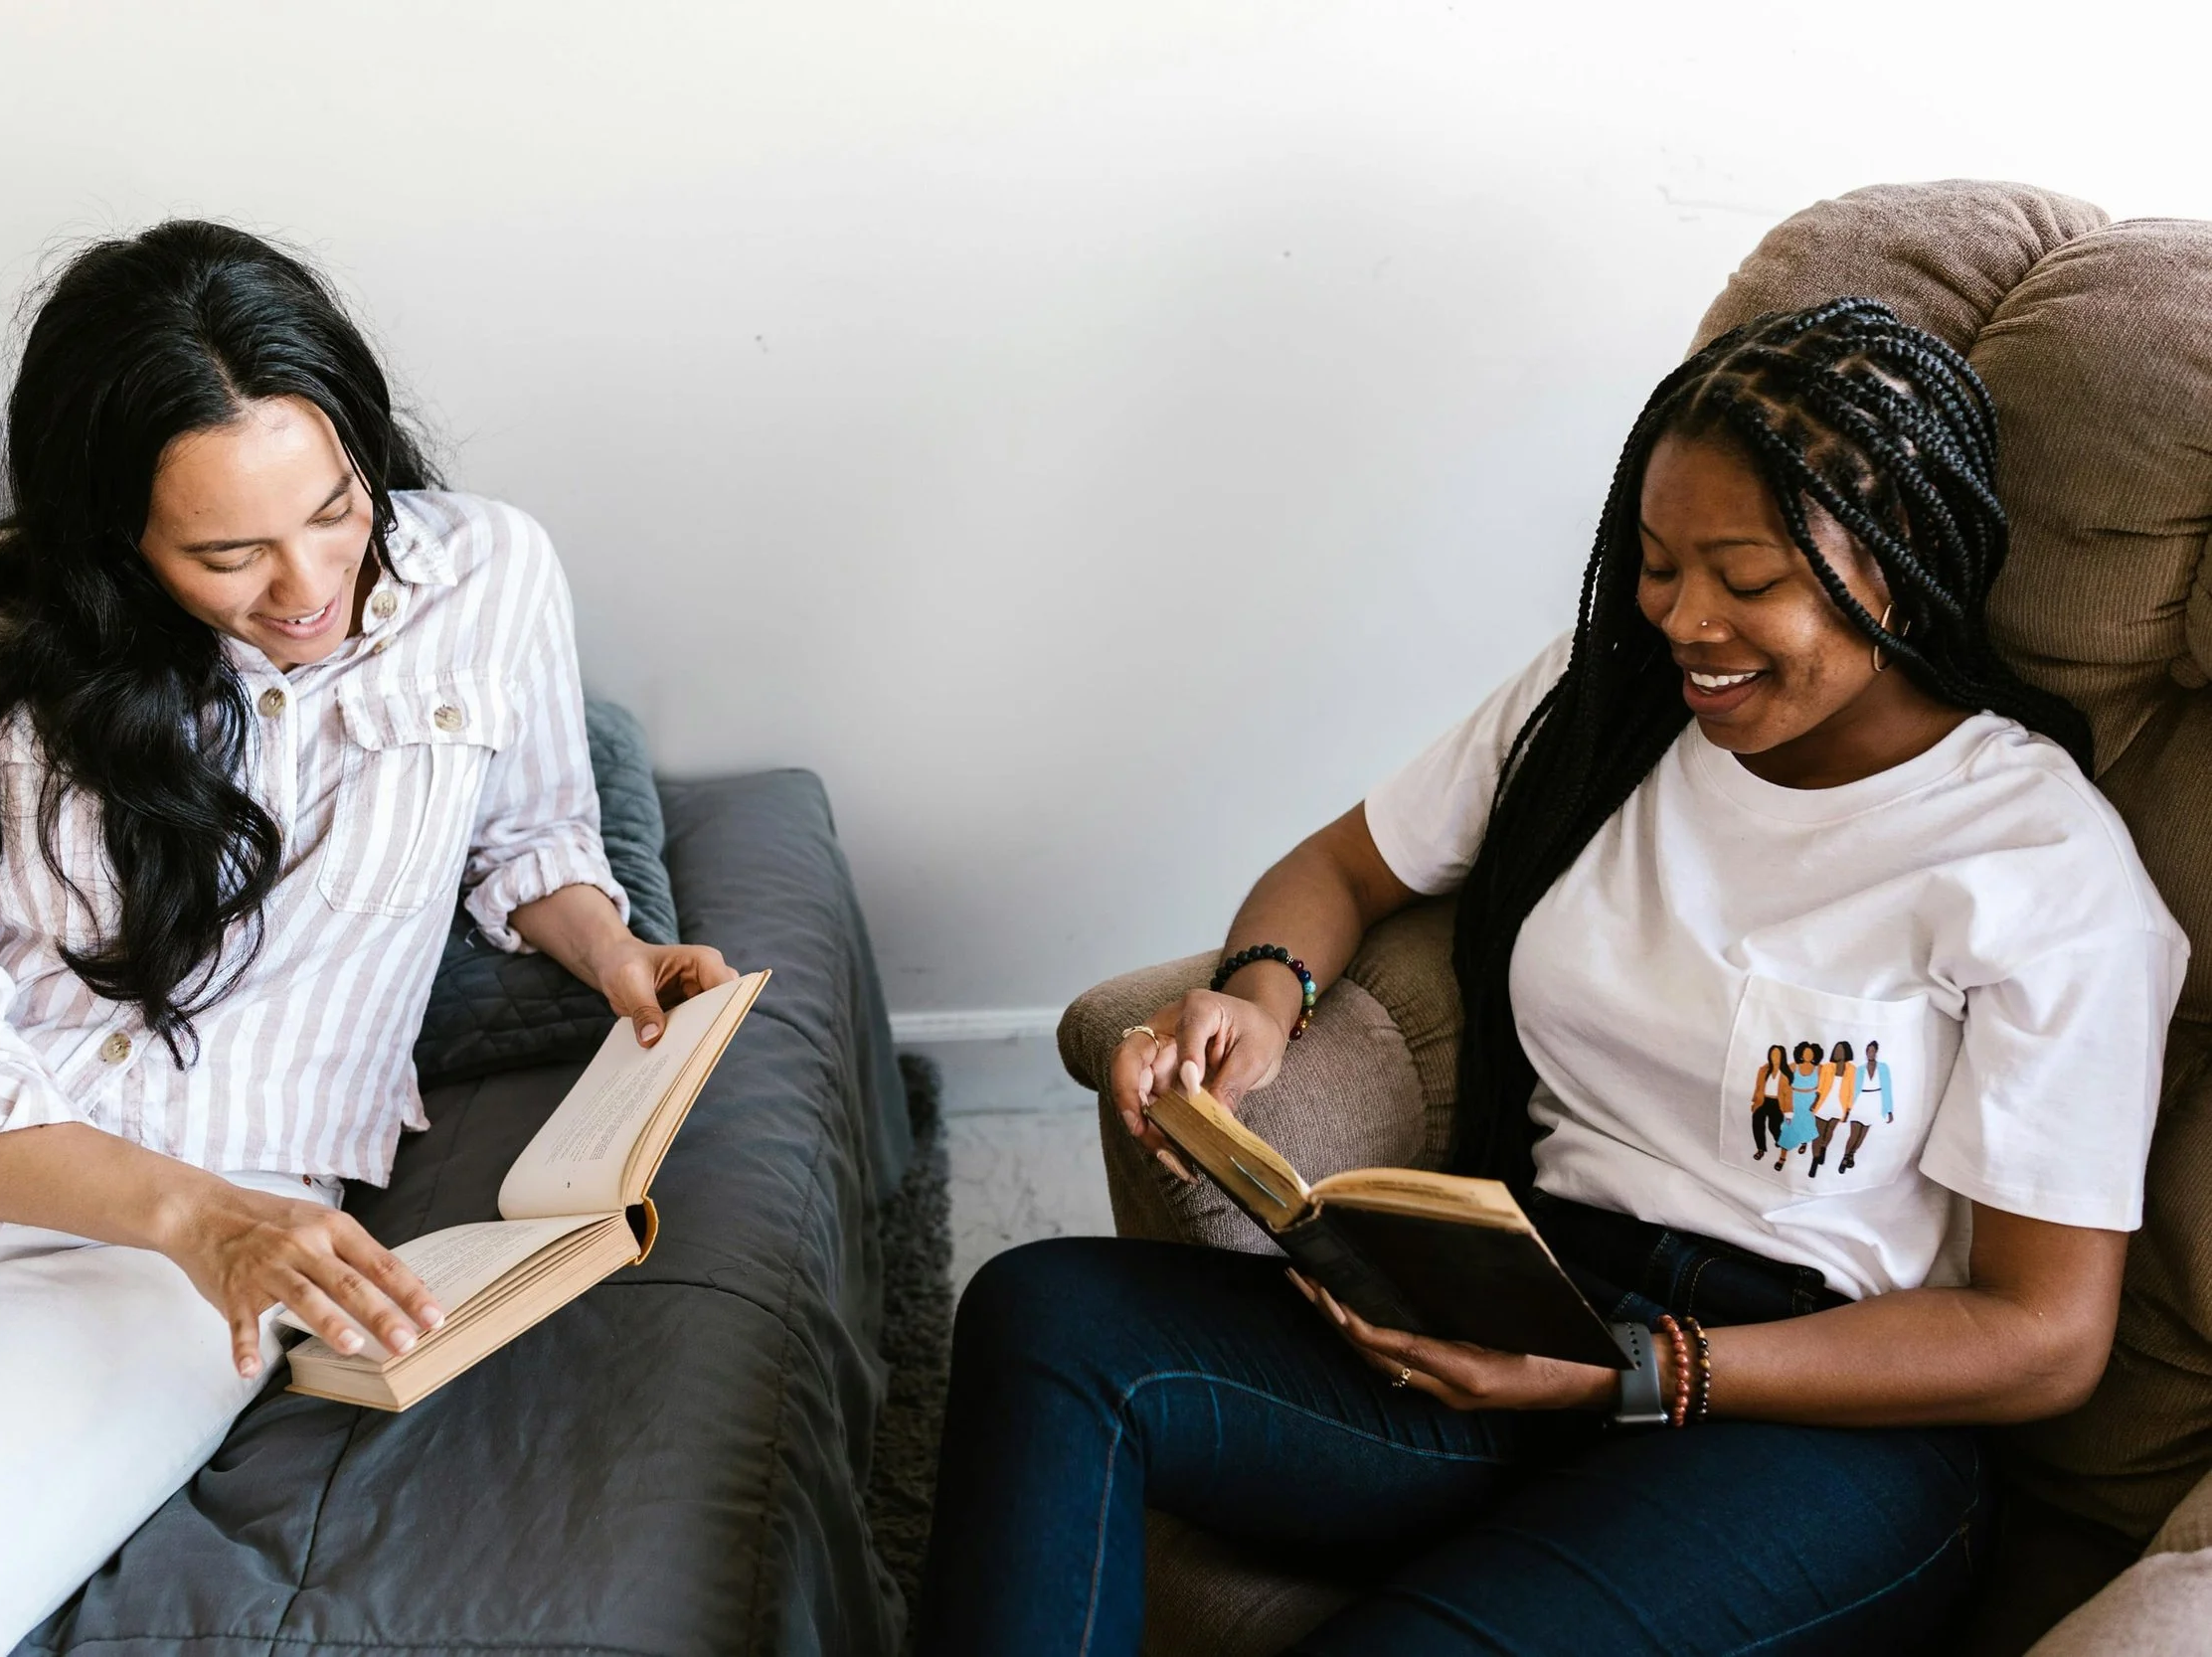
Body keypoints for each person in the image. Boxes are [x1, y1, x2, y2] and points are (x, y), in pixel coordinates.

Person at [918, 300, 2186, 1656]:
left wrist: (1644, 1372)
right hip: (1529, 1295)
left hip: (1820, 1418)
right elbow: (1343, 870)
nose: (1686, 619)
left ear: (1899, 561)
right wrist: (1258, 993)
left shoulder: (2037, 866)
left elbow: (2043, 1333)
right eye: (1655, 563)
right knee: (1046, 1317)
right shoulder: (1606, 705)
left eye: (1745, 575)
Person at [0, 222, 734, 1654]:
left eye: (335, 506)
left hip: (151, 1269)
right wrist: (204, 1217)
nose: (308, 583)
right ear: (114, 535)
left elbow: (526, 830)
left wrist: (608, 949)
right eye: (226, 552)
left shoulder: (488, 576)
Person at [1846, 1039, 1899, 1173]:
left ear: (1876, 1052)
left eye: (1873, 1051)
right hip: (1860, 1101)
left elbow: (1887, 1088)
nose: (1871, 1053)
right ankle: (1845, 1156)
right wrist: (1847, 1108)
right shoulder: (1860, 1070)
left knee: (1862, 1134)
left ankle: (1852, 1154)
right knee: (1854, 1133)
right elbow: (1853, 1090)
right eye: (1868, 1051)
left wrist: (1889, 1110)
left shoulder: (1883, 1068)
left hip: (1874, 1101)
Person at [1811, 1040, 1859, 1177]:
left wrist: (1849, 1109)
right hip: (1825, 1102)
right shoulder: (1827, 1067)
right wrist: (1815, 1102)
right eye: (1836, 1049)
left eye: (1841, 1050)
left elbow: (1852, 1091)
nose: (1838, 1052)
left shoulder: (1852, 1070)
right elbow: (1821, 1087)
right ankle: (1814, 1161)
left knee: (1830, 1130)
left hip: (1840, 1106)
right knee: (1818, 1133)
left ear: (1846, 1052)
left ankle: (1824, 1148)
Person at [1776, 1040, 1825, 1172]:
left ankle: (1804, 1143)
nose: (1808, 1055)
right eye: (1805, 1052)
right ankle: (1782, 1157)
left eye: (1811, 1053)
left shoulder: (1820, 1069)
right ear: (1801, 1053)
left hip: (1811, 1102)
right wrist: (1783, 1105)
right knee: (1788, 1128)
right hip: (1794, 1101)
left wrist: (1818, 1103)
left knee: (1807, 1126)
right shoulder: (1792, 1067)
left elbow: (1826, 1085)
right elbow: (1782, 1088)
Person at [1749, 1042, 1790, 1160]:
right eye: (1772, 1054)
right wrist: (1754, 1101)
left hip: (1777, 1103)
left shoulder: (1786, 1073)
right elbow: (1758, 1087)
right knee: (1757, 1123)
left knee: (1774, 1126)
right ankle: (1760, 1149)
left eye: (1777, 1055)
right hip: (1763, 1101)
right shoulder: (1764, 1070)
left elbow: (1788, 1094)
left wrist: (1788, 1111)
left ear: (1782, 1056)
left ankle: (1779, 1139)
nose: (1774, 1057)